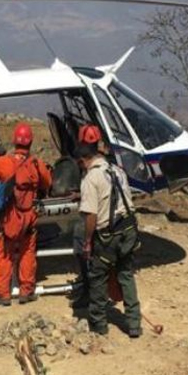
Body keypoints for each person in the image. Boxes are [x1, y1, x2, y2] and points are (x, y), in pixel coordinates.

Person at [76, 142, 142, 338]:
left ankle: (98, 325)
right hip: (129, 229)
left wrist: (88, 240)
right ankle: (134, 324)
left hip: (108, 235)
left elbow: (91, 216)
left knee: (98, 277)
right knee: (126, 274)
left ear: (82, 161)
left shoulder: (91, 178)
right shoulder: (117, 171)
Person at [0, 122, 52, 306]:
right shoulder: (36, 164)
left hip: (9, 218)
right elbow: (47, 182)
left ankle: (3, 295)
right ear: (30, 143)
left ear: (15, 141)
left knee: (5, 255)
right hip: (29, 217)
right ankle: (26, 292)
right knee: (27, 253)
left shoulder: (6, 162)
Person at [69, 125, 103, 309]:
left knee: (82, 248)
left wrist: (88, 240)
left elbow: (94, 190)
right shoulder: (103, 161)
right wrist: (81, 194)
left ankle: (89, 291)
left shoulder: (90, 165)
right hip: (102, 212)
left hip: (92, 214)